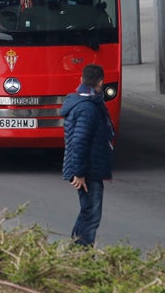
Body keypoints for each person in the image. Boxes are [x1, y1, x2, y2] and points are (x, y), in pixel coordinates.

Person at [61, 63, 115, 246]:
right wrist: (79, 173)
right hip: (88, 171)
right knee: (91, 216)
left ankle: (75, 253)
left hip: (88, 168)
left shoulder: (81, 103)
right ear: (101, 82)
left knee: (87, 212)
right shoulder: (88, 109)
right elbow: (79, 142)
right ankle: (81, 256)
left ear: (81, 80)